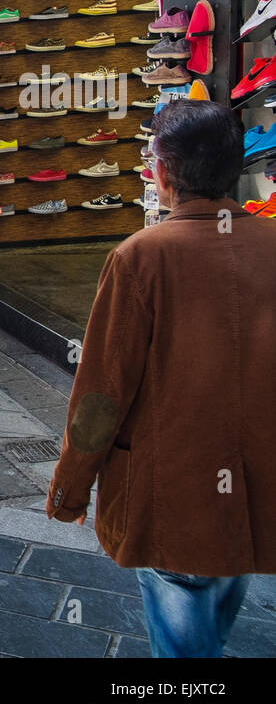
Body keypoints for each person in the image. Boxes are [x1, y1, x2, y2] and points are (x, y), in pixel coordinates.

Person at [48, 100, 276, 657]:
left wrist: (71, 492)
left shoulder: (140, 259)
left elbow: (101, 395)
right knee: (216, 610)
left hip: (171, 497)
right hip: (252, 494)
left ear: (165, 173)